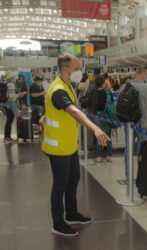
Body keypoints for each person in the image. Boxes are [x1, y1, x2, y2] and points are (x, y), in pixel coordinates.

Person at [42, 54, 109, 237]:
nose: (80, 71)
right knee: (60, 184)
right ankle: (58, 222)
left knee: (73, 180)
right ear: (66, 70)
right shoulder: (58, 90)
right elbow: (73, 111)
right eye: (77, 67)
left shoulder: (67, 86)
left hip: (69, 145)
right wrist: (95, 128)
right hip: (58, 148)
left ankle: (71, 213)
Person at [121, 67, 147, 177]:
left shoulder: (124, 87)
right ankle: (141, 174)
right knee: (142, 149)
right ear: (144, 75)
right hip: (143, 124)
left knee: (128, 147)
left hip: (128, 123)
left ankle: (128, 173)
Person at [91, 75, 113, 163]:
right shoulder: (107, 92)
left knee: (99, 137)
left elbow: (93, 105)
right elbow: (111, 102)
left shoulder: (94, 92)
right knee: (108, 136)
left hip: (97, 116)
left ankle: (99, 156)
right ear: (103, 83)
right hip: (107, 115)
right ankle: (109, 156)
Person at [2, 71, 23, 143]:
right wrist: (19, 95)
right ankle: (7, 137)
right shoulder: (11, 85)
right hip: (10, 105)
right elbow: (11, 96)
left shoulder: (7, 84)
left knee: (9, 121)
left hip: (6, 104)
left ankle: (7, 137)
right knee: (9, 121)